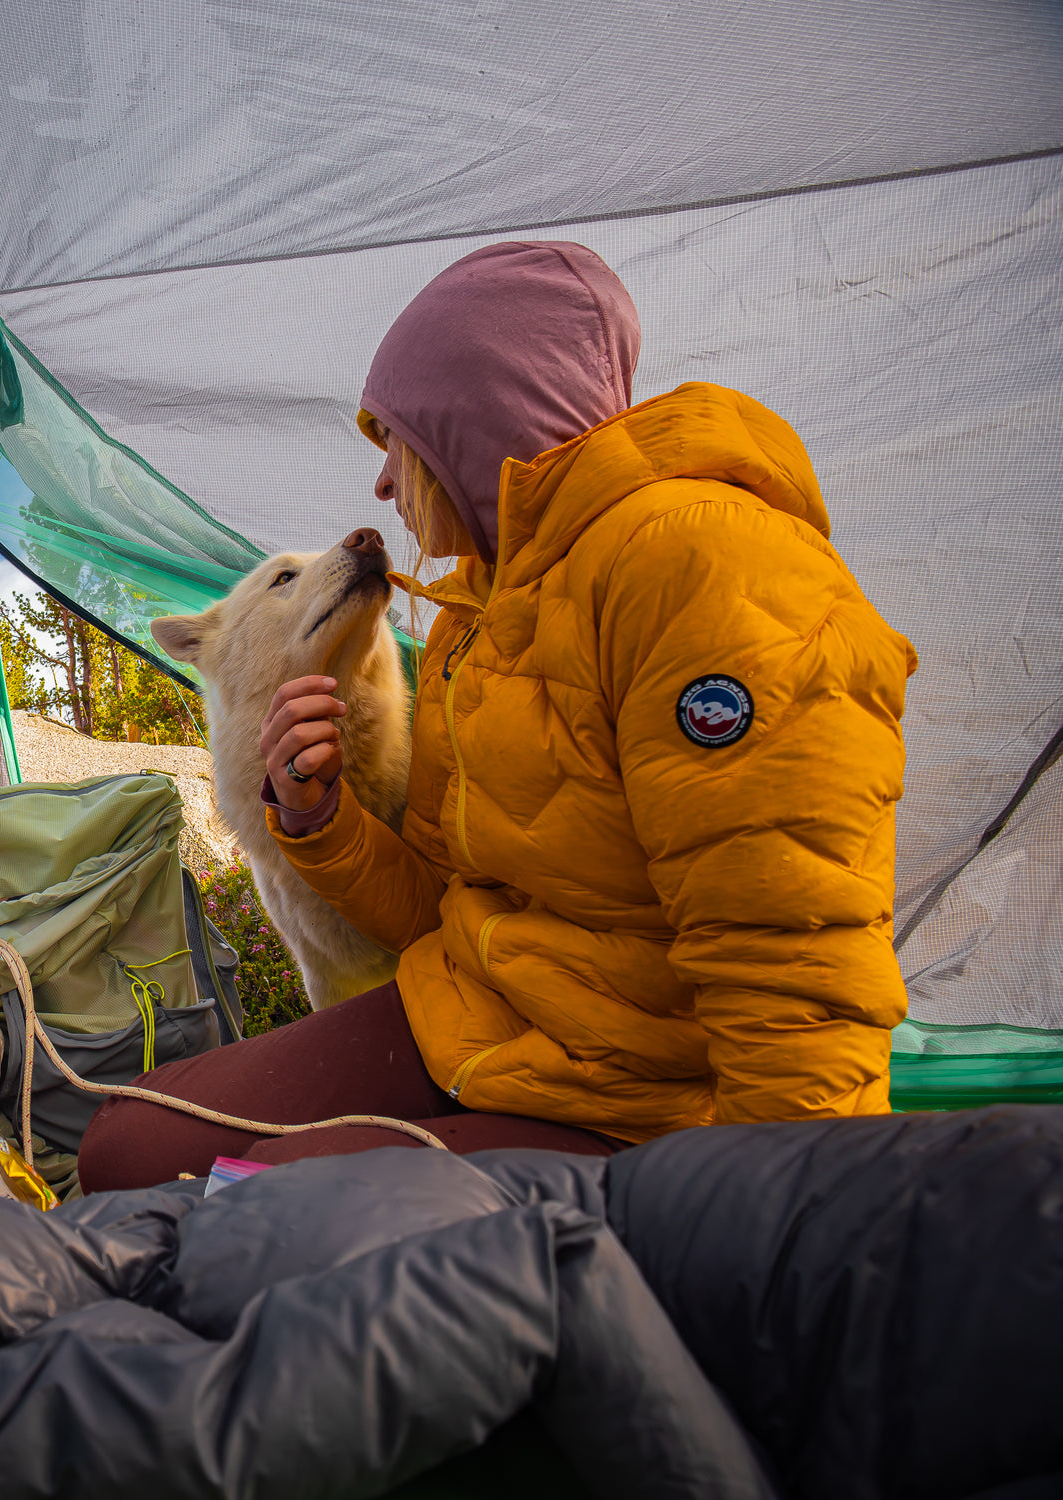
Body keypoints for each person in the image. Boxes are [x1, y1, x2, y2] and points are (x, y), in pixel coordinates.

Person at [78, 241, 916, 1192]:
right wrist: (320, 821)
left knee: (250, 1199)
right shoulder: (479, 612)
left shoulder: (703, 571)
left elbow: (794, 962)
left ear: (472, 420)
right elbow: (442, 897)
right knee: (121, 1150)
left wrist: (768, 1228)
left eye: (397, 441)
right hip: (483, 1013)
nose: (384, 486)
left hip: (633, 1101)